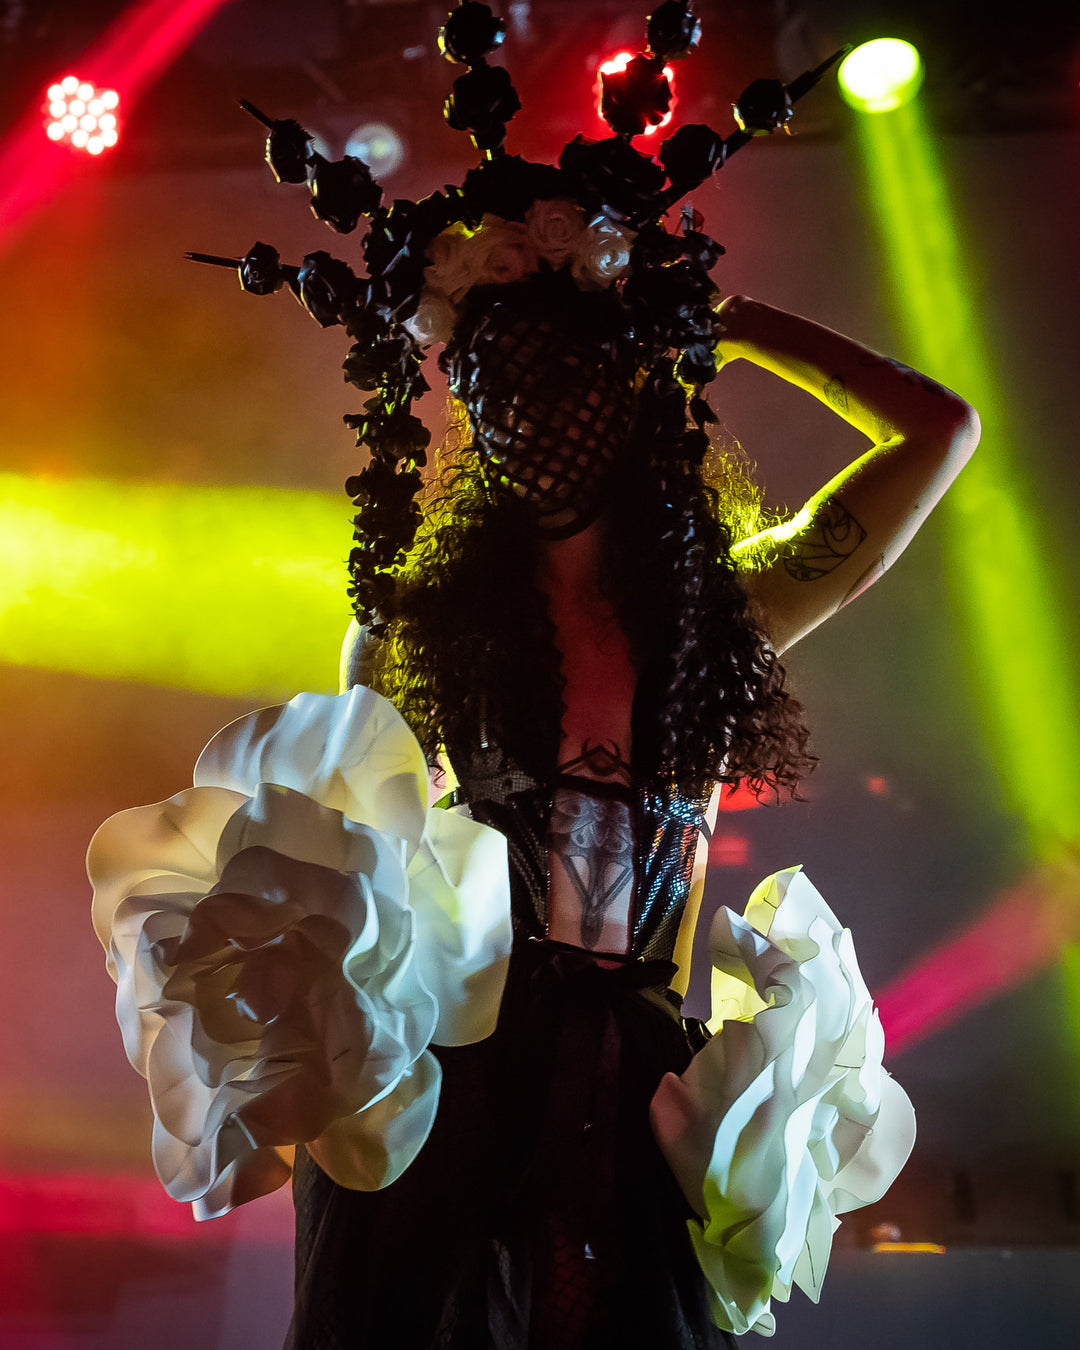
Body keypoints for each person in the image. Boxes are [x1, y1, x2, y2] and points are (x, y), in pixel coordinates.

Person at [88, 5, 978, 1347]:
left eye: (563, 369)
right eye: (494, 379)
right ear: (467, 405)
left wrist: (725, 321)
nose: (531, 406)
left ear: (630, 386)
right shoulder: (410, 628)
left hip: (641, 1089)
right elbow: (344, 881)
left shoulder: (719, 610)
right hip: (458, 1081)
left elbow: (939, 428)